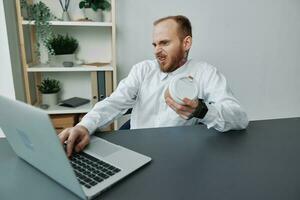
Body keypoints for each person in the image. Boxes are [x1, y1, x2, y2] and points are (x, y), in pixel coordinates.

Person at [59, 15, 249, 157]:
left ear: (186, 43)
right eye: (155, 44)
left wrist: (202, 110)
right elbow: (114, 102)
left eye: (164, 43)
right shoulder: (142, 70)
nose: (157, 50)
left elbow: (239, 118)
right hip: (136, 152)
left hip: (178, 156)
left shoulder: (205, 73)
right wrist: (84, 126)